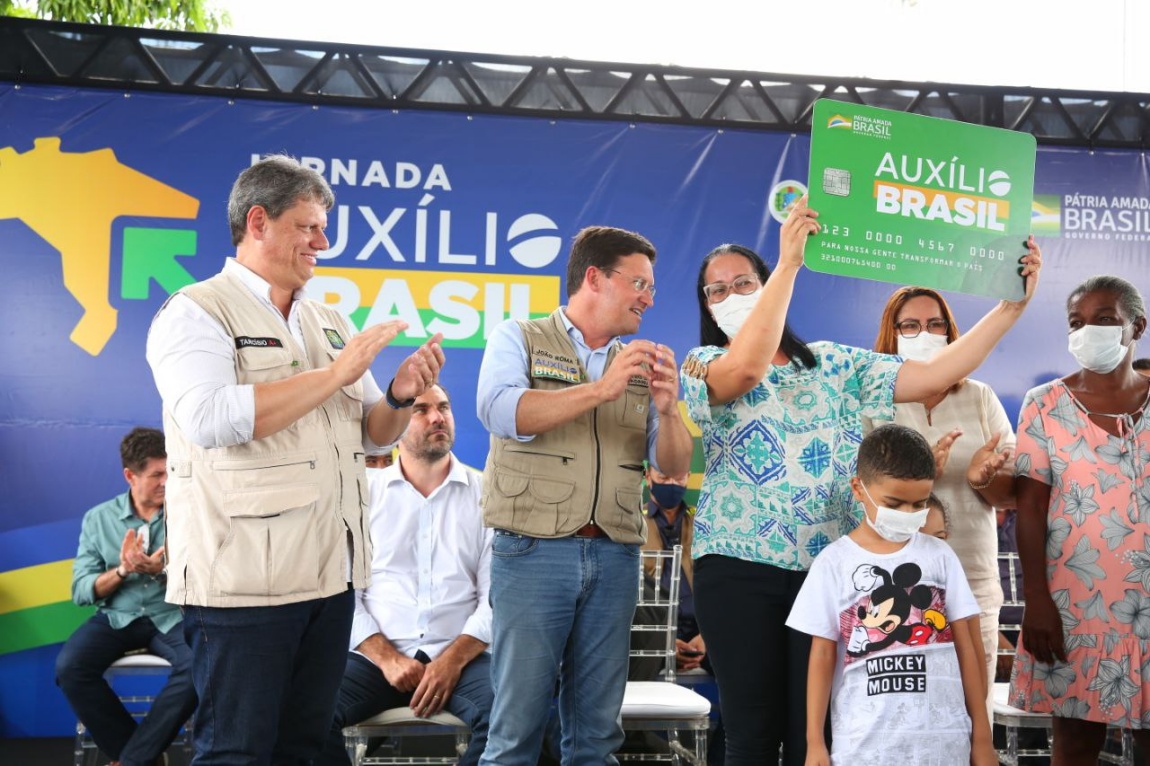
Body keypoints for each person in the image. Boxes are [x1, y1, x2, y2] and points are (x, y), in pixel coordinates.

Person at [679, 196, 1041, 765]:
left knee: (816, 734)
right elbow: (746, 369)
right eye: (716, 290)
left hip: (830, 571)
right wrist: (790, 264)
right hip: (737, 567)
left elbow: (935, 373)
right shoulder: (701, 362)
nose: (732, 296)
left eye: (744, 283)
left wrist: (1009, 308)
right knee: (750, 734)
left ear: (765, 285)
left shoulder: (834, 364)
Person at [146, 155, 445, 764]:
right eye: (308, 227)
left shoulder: (326, 318)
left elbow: (373, 436)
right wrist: (334, 374)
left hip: (329, 577)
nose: (322, 242)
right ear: (258, 221)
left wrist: (398, 394)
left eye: (323, 228)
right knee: (237, 751)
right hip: (243, 584)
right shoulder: (197, 310)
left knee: (304, 747)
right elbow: (209, 418)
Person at [475, 225, 693, 765]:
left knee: (597, 737)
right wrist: (601, 389)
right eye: (639, 283)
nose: (648, 298)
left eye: (652, 288)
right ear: (594, 278)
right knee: (515, 734)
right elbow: (500, 411)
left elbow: (672, 467)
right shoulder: (518, 336)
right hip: (533, 552)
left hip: (616, 556)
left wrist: (668, 411)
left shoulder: (642, 365)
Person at [786, 423, 996, 765]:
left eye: (919, 503)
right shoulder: (833, 563)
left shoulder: (940, 556)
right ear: (859, 488)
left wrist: (983, 738)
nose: (908, 515)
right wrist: (814, 743)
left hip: (944, 748)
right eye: (894, 504)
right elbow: (821, 656)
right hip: (864, 749)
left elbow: (967, 648)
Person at [1009, 274, 1150, 764]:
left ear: (1137, 327)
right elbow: (1030, 508)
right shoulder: (1044, 405)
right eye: (1076, 322)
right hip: (1076, 605)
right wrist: (1037, 600)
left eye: (1104, 319)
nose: (1087, 330)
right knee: (1074, 740)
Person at [319, 384, 493, 766]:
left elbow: (495, 600)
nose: (437, 417)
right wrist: (387, 659)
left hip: (464, 659)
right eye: (421, 410)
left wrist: (451, 661)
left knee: (509, 716)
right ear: (396, 425)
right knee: (307, 714)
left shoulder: (487, 495)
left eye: (444, 407)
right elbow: (344, 596)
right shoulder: (362, 496)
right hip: (372, 659)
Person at [866, 285, 1018, 720]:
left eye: (935, 325)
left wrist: (984, 478)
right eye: (910, 326)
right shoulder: (873, 400)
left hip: (972, 578)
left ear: (952, 334)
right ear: (891, 334)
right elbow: (860, 496)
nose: (924, 334)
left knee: (973, 714)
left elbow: (1012, 492)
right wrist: (917, 478)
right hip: (896, 585)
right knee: (904, 715)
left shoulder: (980, 396)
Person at [56, 427, 197, 766]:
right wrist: (122, 570)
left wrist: (163, 570)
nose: (166, 482)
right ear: (130, 476)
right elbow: (81, 591)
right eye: (157, 475)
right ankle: (142, 756)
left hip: (171, 615)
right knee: (70, 668)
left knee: (200, 665)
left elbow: (208, 576)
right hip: (116, 617)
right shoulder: (99, 518)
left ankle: (133, 761)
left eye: (170, 471)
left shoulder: (189, 513)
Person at [642, 466, 707, 672]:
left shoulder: (704, 523)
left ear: (688, 477)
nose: (671, 484)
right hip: (650, 633)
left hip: (702, 632)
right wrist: (663, 640)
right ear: (648, 477)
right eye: (663, 476)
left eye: (678, 478)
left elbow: (723, 587)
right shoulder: (632, 525)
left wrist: (707, 636)